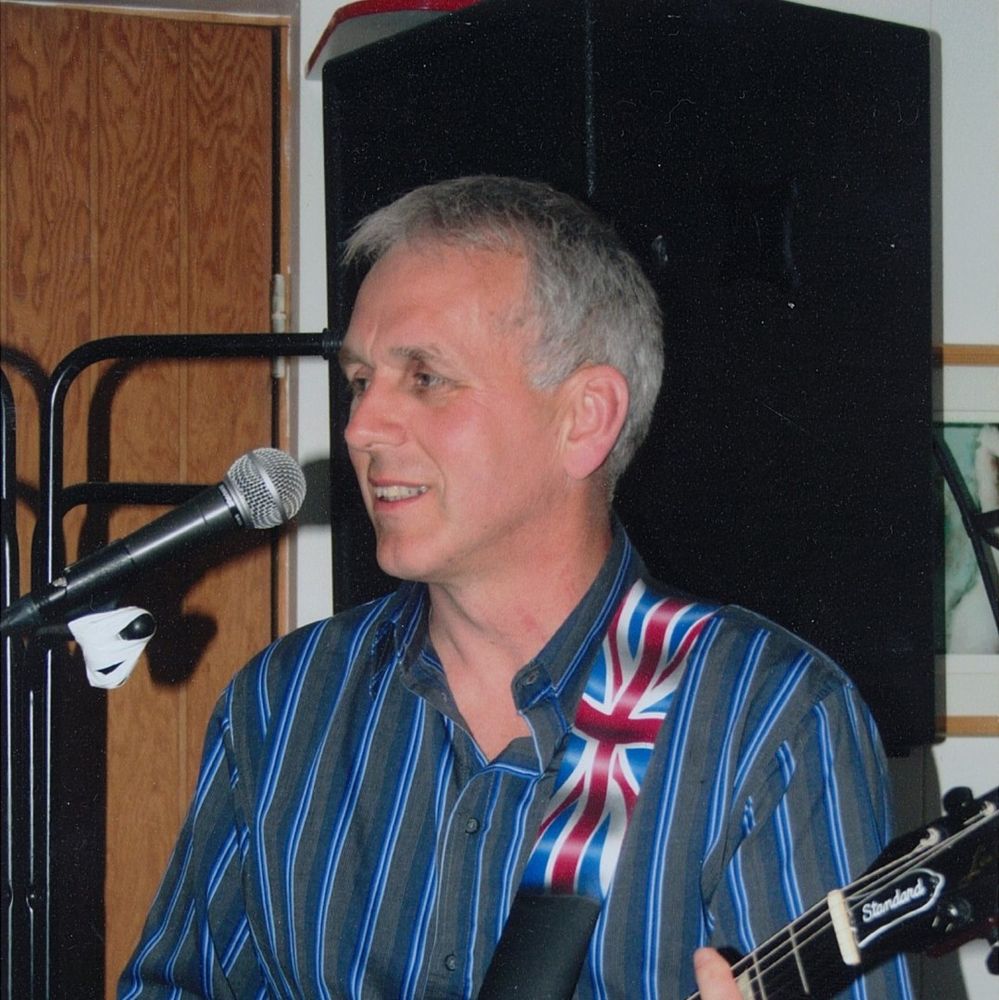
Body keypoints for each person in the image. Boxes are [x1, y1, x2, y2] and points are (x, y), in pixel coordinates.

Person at [119, 176, 912, 999]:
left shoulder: (769, 719)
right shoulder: (284, 702)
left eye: (424, 377)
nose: (359, 427)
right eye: (359, 380)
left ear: (585, 417)